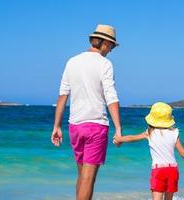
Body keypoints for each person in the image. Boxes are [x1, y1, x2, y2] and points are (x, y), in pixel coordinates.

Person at [50, 24, 122, 200]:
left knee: (82, 177)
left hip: (75, 126)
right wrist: (118, 128)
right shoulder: (105, 64)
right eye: (111, 45)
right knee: (89, 179)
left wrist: (57, 126)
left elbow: (62, 96)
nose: (111, 50)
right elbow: (111, 97)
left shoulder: (72, 61)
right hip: (96, 126)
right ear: (104, 42)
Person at [114, 102, 184, 200]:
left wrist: (119, 139)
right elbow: (183, 153)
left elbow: (132, 137)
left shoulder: (150, 132)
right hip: (173, 170)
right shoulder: (175, 132)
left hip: (159, 170)